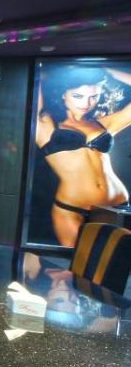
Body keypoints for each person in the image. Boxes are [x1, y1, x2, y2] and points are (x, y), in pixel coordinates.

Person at [35, 66, 131, 246]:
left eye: (94, 96)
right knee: (79, 262)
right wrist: (59, 70)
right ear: (63, 94)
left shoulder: (104, 124)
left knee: (117, 262)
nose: (87, 103)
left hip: (118, 206)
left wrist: (107, 70)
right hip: (73, 210)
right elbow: (35, 77)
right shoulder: (44, 125)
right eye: (78, 96)